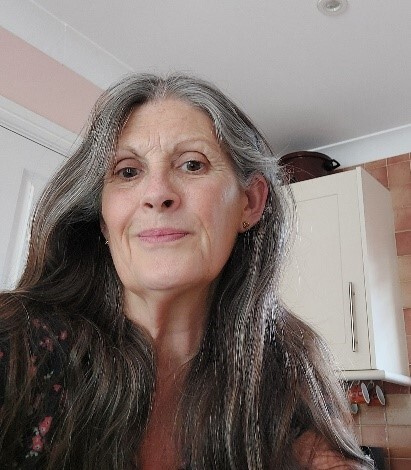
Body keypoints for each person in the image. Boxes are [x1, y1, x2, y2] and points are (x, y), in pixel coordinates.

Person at [0, 73, 373, 469]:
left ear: (250, 203)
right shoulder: (16, 344)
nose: (157, 193)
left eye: (192, 165)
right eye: (128, 171)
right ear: (104, 221)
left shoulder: (287, 367)